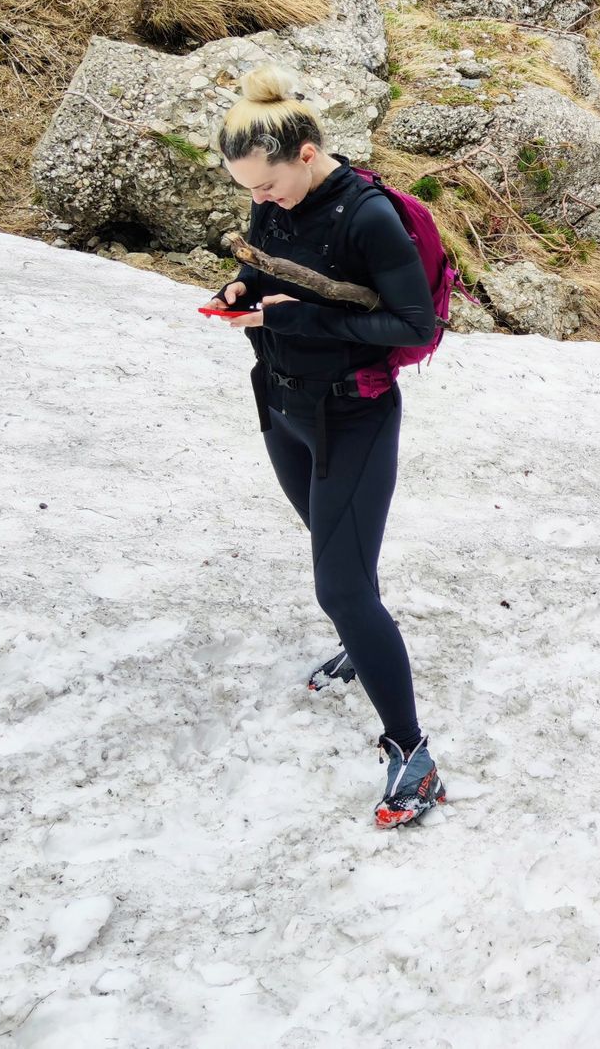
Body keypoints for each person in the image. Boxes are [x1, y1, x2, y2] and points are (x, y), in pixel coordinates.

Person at [210, 66, 443, 828]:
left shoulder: (366, 217)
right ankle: (362, 638)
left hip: (354, 415)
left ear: (307, 153)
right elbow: (270, 257)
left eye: (269, 185)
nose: (261, 200)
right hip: (283, 407)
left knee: (340, 587)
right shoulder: (274, 199)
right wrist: (245, 289)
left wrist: (292, 322)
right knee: (333, 550)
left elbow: (416, 327)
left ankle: (414, 756)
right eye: (250, 189)